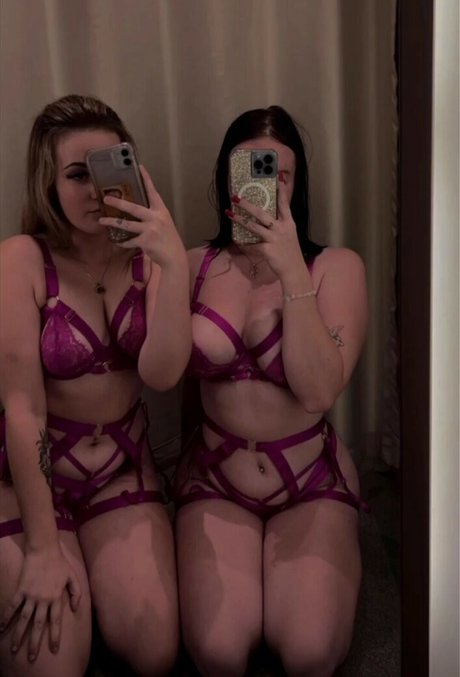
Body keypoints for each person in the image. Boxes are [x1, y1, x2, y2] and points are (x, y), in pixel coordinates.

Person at [0, 94, 191, 676]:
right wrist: (42, 548)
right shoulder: (20, 260)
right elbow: (24, 408)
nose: (94, 190)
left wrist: (173, 263)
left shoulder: (151, 256)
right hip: (28, 478)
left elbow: (162, 374)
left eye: (107, 169)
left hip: (120, 471)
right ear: (48, 182)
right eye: (76, 175)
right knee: (54, 664)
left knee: (154, 652)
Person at [175, 106, 368, 677]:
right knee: (218, 653)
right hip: (216, 478)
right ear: (227, 180)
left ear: (297, 183)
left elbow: (319, 392)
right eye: (251, 170)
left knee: (309, 653)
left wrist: (291, 273)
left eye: (280, 174)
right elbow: (167, 376)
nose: (267, 186)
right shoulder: (194, 264)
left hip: (310, 482)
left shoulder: (336, 267)